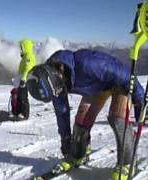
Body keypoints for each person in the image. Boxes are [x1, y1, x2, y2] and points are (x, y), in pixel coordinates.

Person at [26, 49, 145, 179]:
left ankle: (127, 162)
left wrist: (139, 102)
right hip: (96, 89)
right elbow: (62, 112)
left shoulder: (87, 63)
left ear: (57, 75)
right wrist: (66, 140)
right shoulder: (54, 84)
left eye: (58, 88)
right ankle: (79, 154)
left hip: (120, 84)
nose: (58, 92)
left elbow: (126, 76)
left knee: (117, 119)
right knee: (81, 123)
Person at [13, 39, 36, 119]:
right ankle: (19, 112)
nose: (21, 49)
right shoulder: (26, 56)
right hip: (22, 80)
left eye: (22, 47)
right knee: (20, 96)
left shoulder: (29, 56)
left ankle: (25, 114)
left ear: (26, 47)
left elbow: (28, 69)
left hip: (25, 80)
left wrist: (23, 79)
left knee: (23, 97)